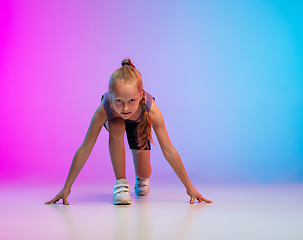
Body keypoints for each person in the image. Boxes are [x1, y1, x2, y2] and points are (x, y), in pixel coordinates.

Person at [45, 59, 212, 205]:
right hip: (115, 123)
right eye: (119, 101)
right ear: (111, 96)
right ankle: (121, 183)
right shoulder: (104, 109)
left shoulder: (151, 110)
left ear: (140, 96)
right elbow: (85, 148)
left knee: (144, 173)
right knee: (117, 125)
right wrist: (66, 187)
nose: (125, 108)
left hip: (139, 123)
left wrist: (189, 188)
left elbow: (168, 149)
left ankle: (141, 178)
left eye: (131, 100)